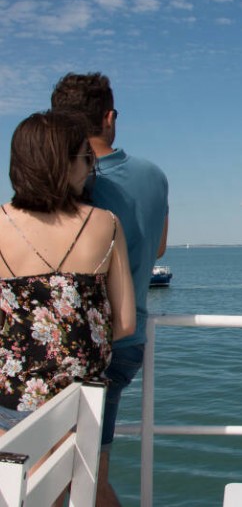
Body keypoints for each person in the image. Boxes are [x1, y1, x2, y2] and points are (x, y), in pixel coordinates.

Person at [51, 72, 169, 507]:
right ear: (109, 116)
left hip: (70, 346)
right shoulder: (154, 176)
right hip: (128, 340)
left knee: (62, 478)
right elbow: (156, 247)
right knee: (89, 476)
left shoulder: (64, 179)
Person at [0, 111, 135, 431]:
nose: (91, 166)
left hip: (10, 400)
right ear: (68, 163)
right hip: (81, 402)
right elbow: (126, 323)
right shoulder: (106, 224)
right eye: (87, 158)